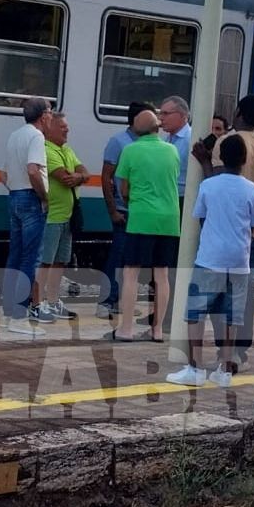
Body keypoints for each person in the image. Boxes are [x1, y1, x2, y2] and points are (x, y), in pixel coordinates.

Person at [166, 133, 254, 387]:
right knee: (232, 316)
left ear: (220, 158)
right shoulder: (253, 189)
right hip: (239, 260)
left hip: (210, 257)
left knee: (196, 313)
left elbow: (200, 216)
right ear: (244, 160)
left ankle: (196, 368)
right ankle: (224, 368)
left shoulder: (209, 186)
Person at [112, 109, 180, 341]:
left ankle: (127, 329)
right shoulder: (172, 150)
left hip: (141, 218)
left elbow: (123, 189)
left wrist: (134, 201)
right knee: (161, 274)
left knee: (131, 273)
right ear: (157, 128)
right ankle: (158, 330)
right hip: (170, 220)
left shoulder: (130, 150)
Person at [98, 101, 154, 320]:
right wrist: (112, 210)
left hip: (143, 210)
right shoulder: (118, 142)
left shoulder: (151, 143)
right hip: (124, 209)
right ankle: (106, 300)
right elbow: (106, 177)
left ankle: (121, 300)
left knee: (133, 258)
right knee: (118, 255)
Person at [0, 98, 51, 337]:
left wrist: (15, 189)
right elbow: (33, 170)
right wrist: (44, 197)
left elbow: (3, 174)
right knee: (30, 259)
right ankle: (19, 317)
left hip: (15, 197)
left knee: (15, 255)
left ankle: (8, 312)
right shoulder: (37, 137)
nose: (52, 116)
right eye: (50, 112)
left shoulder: (15, 135)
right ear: (43, 116)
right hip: (31, 198)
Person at [35, 109, 88, 322]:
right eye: (62, 127)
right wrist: (79, 176)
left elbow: (84, 171)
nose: (67, 130)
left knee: (59, 261)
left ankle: (53, 301)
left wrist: (80, 176)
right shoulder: (46, 150)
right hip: (52, 217)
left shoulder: (66, 149)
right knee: (45, 262)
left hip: (66, 217)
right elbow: (65, 177)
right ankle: (37, 304)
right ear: (49, 128)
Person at [214, 95, 254, 271]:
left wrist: (203, 160)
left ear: (237, 112)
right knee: (246, 283)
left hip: (229, 225)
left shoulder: (226, 141)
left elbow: (218, 179)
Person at [158, 96, 194, 191]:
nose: (160, 118)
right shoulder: (167, 138)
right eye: (160, 113)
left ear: (182, 115)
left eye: (166, 113)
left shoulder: (190, 139)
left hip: (183, 198)